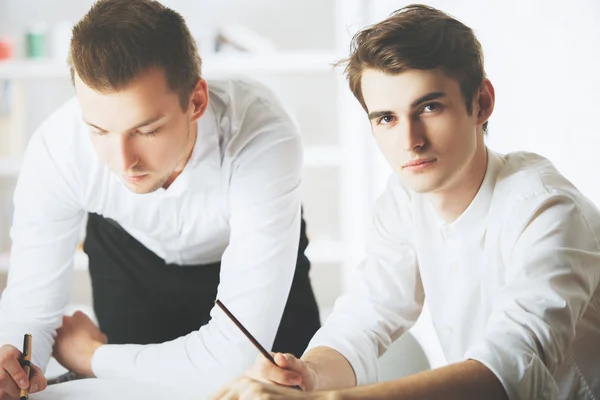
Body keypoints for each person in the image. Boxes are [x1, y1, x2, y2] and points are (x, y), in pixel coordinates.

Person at [212, 4, 600, 400]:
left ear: (481, 102)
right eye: (386, 118)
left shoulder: (548, 210)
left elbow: (508, 368)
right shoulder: (404, 199)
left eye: (429, 107)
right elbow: (365, 318)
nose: (410, 140)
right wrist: (306, 376)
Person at [0, 0, 321, 398]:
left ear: (196, 102)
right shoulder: (58, 146)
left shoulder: (262, 136)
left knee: (283, 389)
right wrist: (13, 357)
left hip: (251, 262)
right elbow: (31, 310)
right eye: (99, 130)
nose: (123, 162)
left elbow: (230, 363)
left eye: (147, 130)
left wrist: (92, 356)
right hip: (131, 259)